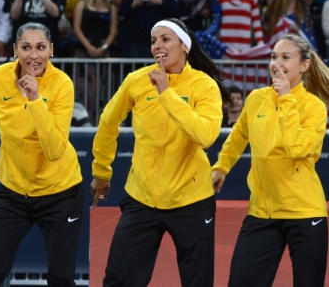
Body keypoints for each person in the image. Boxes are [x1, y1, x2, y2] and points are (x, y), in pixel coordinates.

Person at [92, 18, 231, 286]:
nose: (158, 46)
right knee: (118, 280)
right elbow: (108, 121)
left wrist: (167, 94)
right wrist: (101, 170)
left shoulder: (203, 85)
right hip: (141, 198)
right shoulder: (137, 80)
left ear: (184, 46)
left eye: (166, 39)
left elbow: (206, 135)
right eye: (154, 41)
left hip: (191, 200)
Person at [212, 33, 329, 286]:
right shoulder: (256, 99)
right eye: (274, 56)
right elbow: (238, 135)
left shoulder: (314, 107)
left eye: (286, 57)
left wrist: (287, 99)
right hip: (262, 212)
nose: (276, 63)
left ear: (304, 65)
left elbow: (299, 149)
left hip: (304, 212)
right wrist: (221, 166)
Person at [0, 22, 83, 287]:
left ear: (52, 50)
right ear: (15, 50)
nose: (34, 55)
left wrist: (35, 100)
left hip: (60, 191)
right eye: (26, 47)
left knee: (60, 276)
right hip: (13, 190)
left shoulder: (62, 85)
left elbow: (55, 149)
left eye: (41, 47)